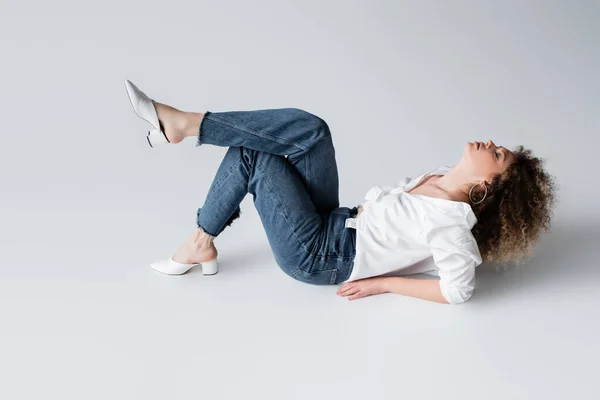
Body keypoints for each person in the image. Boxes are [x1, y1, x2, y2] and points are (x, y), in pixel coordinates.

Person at [124, 79, 558, 305]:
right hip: (337, 220)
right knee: (313, 131)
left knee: (251, 155)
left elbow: (457, 291)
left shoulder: (451, 226)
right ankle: (186, 127)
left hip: (319, 255)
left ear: (487, 186)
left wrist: (384, 283)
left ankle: (198, 239)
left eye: (498, 155)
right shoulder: (443, 175)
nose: (491, 145)